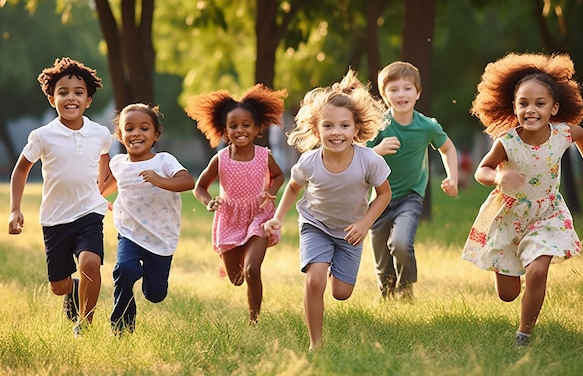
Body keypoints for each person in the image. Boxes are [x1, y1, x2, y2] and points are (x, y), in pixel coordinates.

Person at [462, 53, 583, 346]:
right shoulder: (508, 142)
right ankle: (510, 275)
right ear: (514, 106)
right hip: (509, 217)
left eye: (539, 104)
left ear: (554, 108)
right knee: (508, 294)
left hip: (547, 214)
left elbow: (582, 136)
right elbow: (482, 170)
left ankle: (524, 335)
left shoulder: (562, 134)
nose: (531, 110)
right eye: (524, 103)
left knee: (538, 271)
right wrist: (498, 177)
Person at [264, 69, 392, 351]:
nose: (337, 133)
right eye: (329, 126)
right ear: (316, 129)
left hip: (350, 231)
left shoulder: (368, 160)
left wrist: (365, 223)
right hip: (316, 225)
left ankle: (333, 265)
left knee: (342, 293)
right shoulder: (309, 161)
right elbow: (294, 188)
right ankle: (315, 344)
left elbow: (384, 194)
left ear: (356, 129)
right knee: (315, 281)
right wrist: (277, 218)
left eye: (344, 126)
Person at [8, 57, 113, 336]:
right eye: (63, 92)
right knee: (60, 287)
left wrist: (102, 191)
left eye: (78, 92)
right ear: (52, 98)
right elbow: (20, 171)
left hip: (90, 212)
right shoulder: (43, 136)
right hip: (55, 219)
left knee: (90, 262)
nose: (71, 97)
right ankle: (73, 288)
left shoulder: (100, 134)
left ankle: (85, 325)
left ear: (88, 100)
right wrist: (14, 210)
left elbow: (105, 163)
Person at [186, 84, 287, 325]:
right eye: (233, 126)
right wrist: (209, 202)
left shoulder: (264, 156)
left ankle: (254, 322)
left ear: (257, 128)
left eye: (246, 125)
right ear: (224, 130)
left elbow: (280, 176)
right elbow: (199, 187)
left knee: (252, 270)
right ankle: (229, 261)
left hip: (260, 217)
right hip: (230, 218)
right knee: (237, 278)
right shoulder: (220, 159)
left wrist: (271, 193)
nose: (240, 130)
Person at [367, 61, 458, 301]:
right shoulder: (377, 127)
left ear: (418, 92)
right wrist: (376, 150)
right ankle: (386, 295)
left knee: (400, 243)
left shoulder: (427, 126)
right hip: (378, 198)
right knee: (381, 258)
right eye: (394, 89)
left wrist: (453, 178)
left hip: (410, 196)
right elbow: (357, 156)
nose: (401, 94)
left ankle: (406, 288)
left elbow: (448, 149)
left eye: (407, 88)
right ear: (385, 95)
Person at [102, 103, 195, 335]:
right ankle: (121, 327)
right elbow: (108, 186)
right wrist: (97, 199)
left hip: (160, 236)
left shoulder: (164, 161)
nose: (136, 133)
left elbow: (187, 182)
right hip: (129, 232)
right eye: (129, 128)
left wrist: (159, 180)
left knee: (156, 294)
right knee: (124, 270)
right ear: (121, 136)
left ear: (156, 135)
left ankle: (147, 280)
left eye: (144, 128)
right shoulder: (118, 163)